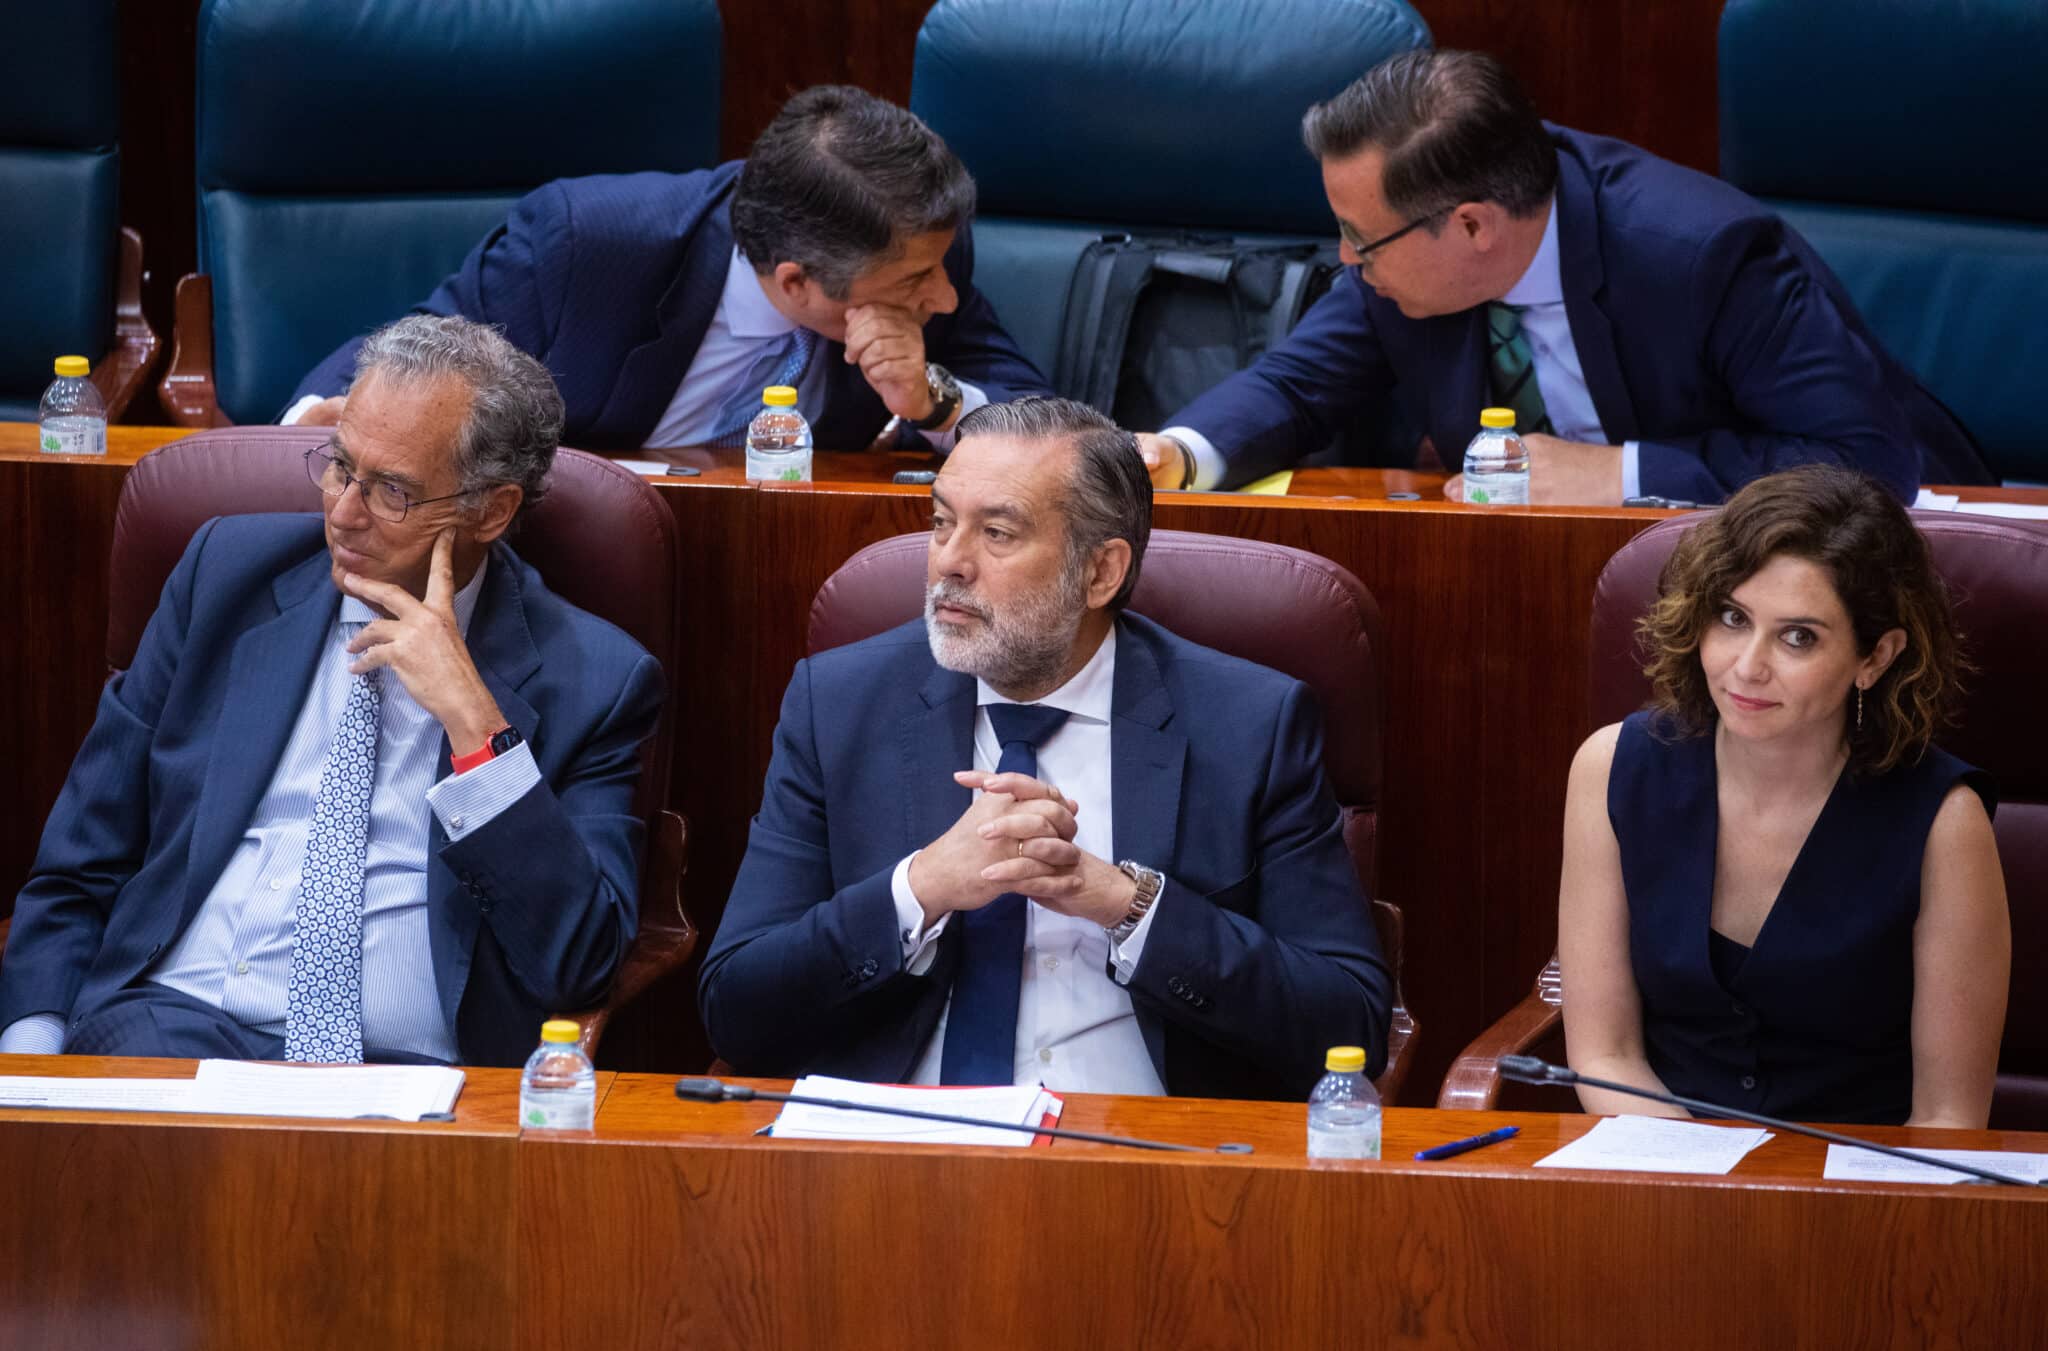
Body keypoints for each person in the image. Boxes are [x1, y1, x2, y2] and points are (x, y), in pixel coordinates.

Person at [0, 315, 663, 1066]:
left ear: (492, 509)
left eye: (391, 492)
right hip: (174, 1024)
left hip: (407, 1078)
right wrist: (30, 1063)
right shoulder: (224, 578)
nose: (343, 513)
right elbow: (80, 860)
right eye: (340, 466)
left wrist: (475, 722)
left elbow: (577, 960)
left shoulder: (599, 679)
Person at [699, 396, 1390, 1099]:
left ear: (1100, 572)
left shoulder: (1247, 723)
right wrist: (920, 888)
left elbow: (1348, 1025)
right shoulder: (841, 703)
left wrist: (1126, 904)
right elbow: (736, 1008)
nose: (950, 562)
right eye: (941, 522)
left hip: (1138, 1152)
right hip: (903, 1145)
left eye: (997, 532)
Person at [1138, 50, 1992, 502]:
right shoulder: (1411, 272)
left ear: (1471, 225)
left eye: (1363, 238)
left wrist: (1623, 474)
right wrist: (1175, 454)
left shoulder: (1703, 257)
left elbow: (1867, 463)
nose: (1346, 260)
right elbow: (1296, 388)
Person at [1558, 465, 2008, 1127]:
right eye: (1734, 617)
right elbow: (1606, 1053)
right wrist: (1705, 1194)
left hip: (1857, 1200)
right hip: (1664, 1181)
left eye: (1798, 636)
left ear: (1875, 658)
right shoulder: (1611, 770)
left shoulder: (1944, 823)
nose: (1748, 665)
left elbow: (1948, 1116)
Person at [286, 85, 1048, 452]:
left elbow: (1036, 422)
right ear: (795, 284)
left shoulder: (924, 247)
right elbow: (414, 354)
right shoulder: (588, 247)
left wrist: (933, 400)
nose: (942, 296)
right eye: (915, 286)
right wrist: (326, 428)